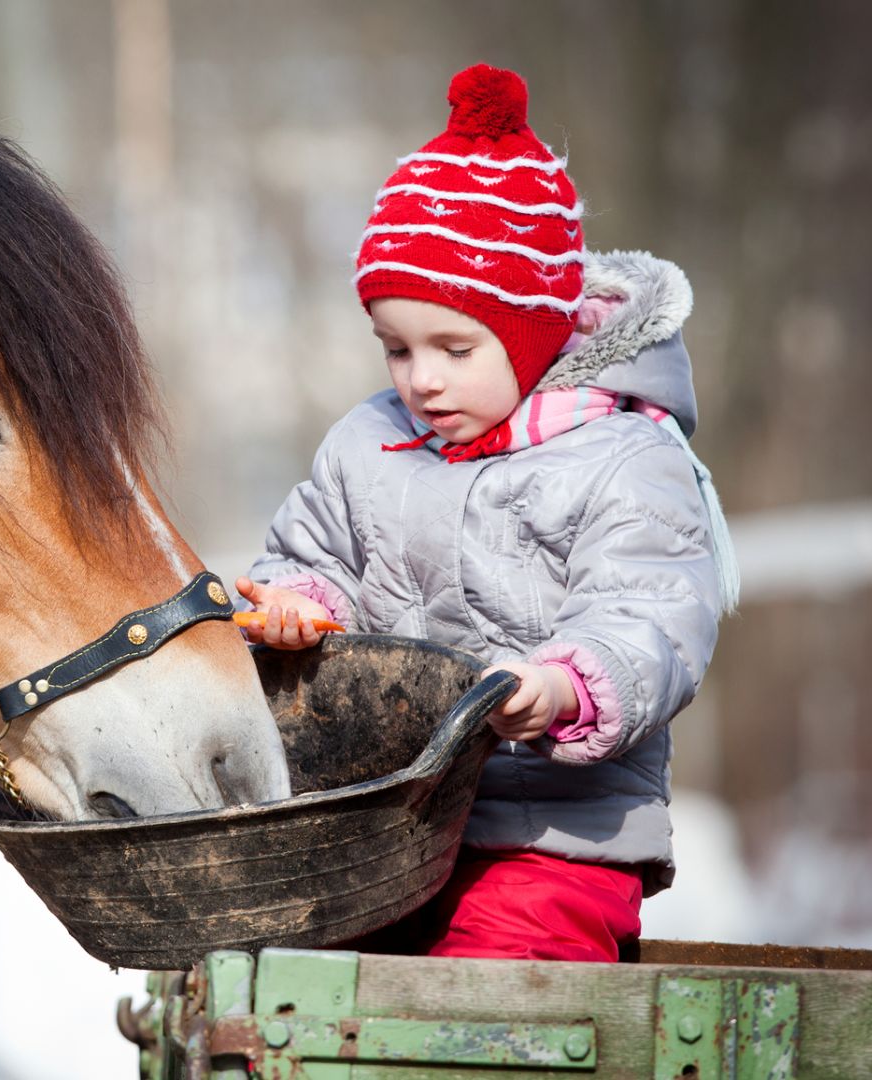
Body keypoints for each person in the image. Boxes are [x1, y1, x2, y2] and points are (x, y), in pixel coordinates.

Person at [237, 63, 737, 962]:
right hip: (387, 830)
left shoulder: (626, 459)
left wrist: (563, 687)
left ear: (533, 336)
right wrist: (298, 607)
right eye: (397, 348)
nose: (421, 379)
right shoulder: (368, 443)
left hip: (556, 838)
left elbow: (651, 616)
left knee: (489, 985)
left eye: (455, 348)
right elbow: (315, 553)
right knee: (308, 971)